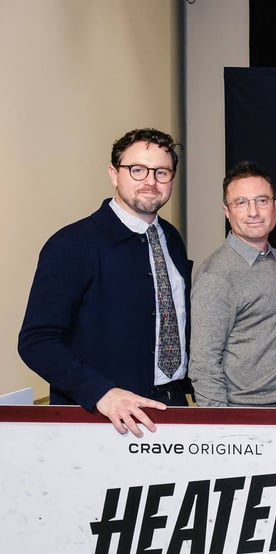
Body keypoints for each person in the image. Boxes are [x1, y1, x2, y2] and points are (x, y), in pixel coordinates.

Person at [18, 127, 191, 436]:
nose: (150, 182)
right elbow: (37, 341)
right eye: (137, 170)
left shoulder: (172, 240)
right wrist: (103, 394)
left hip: (171, 410)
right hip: (100, 420)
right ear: (114, 174)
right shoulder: (71, 245)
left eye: (161, 172)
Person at [189, 161, 276, 407]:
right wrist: (223, 429)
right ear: (227, 212)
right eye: (241, 203)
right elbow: (204, 364)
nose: (253, 212)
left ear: (275, 206)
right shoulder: (217, 276)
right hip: (243, 413)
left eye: (262, 201)